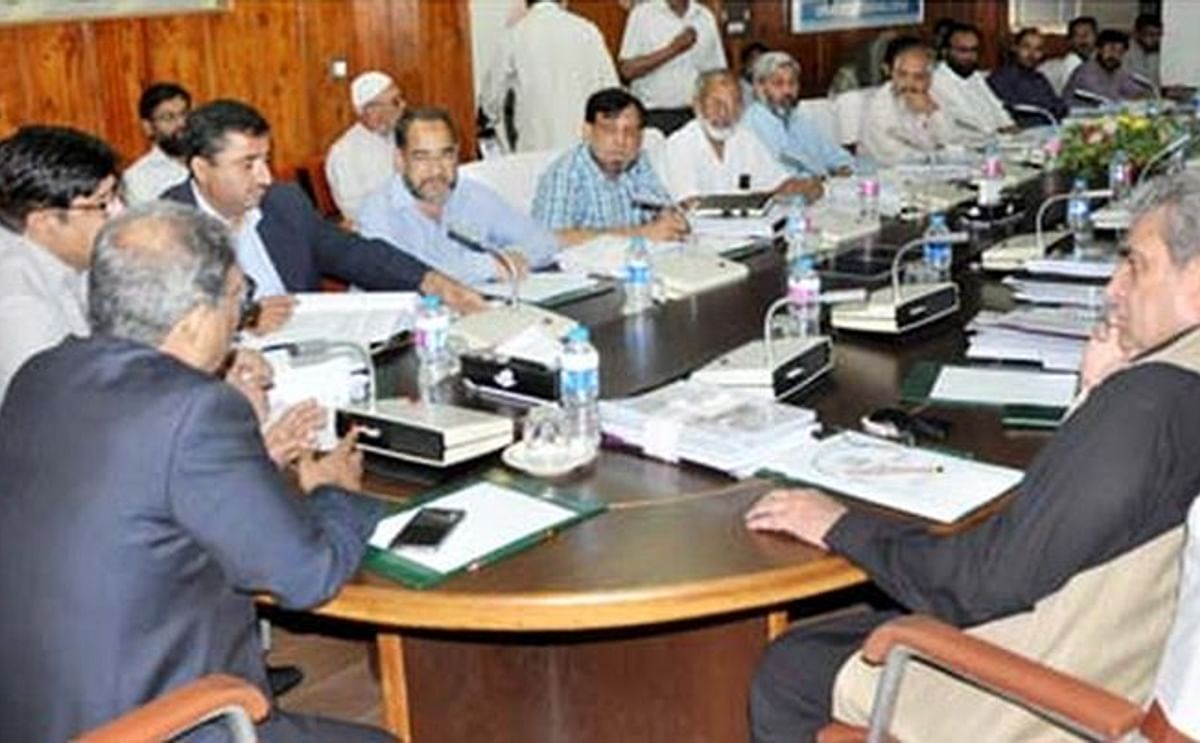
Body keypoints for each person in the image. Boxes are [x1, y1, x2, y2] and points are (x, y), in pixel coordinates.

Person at [745, 173, 1200, 741]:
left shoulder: (1146, 406)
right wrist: (1094, 392)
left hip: (1045, 696)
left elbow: (979, 585)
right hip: (1125, 658)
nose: (1114, 286)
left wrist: (841, 525)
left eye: (1135, 264)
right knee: (847, 624)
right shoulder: (1166, 387)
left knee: (789, 665)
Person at [0, 201, 393, 743]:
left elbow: (130, 494)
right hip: (152, 726)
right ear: (195, 319)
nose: (240, 319)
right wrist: (334, 493)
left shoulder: (42, 374)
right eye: (239, 299)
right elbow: (306, 577)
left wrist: (257, 459)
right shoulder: (194, 409)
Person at [162, 99, 483, 333]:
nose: (265, 177)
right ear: (202, 169)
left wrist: (436, 284)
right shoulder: (167, 230)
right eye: (248, 164)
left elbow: (354, 253)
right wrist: (242, 322)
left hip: (312, 352)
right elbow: (169, 328)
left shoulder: (283, 202)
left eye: (265, 160)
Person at [358, 107, 559, 286]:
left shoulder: (472, 194)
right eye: (422, 157)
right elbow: (409, 274)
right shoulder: (377, 210)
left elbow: (543, 240)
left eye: (446, 155)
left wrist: (514, 258)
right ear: (400, 160)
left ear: (457, 155)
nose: (436, 169)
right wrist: (491, 266)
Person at [0, 125, 121, 400]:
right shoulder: (18, 305)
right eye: (103, 204)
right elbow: (65, 409)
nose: (119, 214)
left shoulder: (68, 255)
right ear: (46, 222)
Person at [532, 87, 686, 246]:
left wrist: (672, 220)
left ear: (641, 138)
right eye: (609, 130)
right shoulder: (565, 174)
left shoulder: (639, 163)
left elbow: (663, 210)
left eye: (630, 132)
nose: (620, 140)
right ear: (587, 131)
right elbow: (549, 240)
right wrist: (641, 233)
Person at [660, 70, 821, 202]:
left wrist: (805, 187)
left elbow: (777, 183)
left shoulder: (746, 139)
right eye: (717, 104)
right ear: (697, 105)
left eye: (734, 104)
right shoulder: (680, 143)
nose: (725, 114)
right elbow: (689, 204)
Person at [480, 0, 619, 153]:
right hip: (585, 146)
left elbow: (490, 101)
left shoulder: (515, 34)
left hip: (535, 149)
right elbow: (613, 94)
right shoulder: (588, 31)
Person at [617, 0, 727, 135]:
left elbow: (717, 73)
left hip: (696, 116)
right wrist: (673, 50)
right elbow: (627, 70)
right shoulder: (642, 15)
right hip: (654, 117)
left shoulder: (705, 17)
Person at [744, 51, 854, 179]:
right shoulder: (753, 123)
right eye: (778, 83)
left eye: (792, 83)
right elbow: (777, 174)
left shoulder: (798, 118)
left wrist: (843, 167)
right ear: (760, 87)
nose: (787, 91)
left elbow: (835, 154)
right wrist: (818, 177)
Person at [859, 37, 960, 166]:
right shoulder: (878, 106)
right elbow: (896, 157)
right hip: (887, 176)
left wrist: (932, 111)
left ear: (929, 79)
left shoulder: (933, 96)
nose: (909, 83)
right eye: (902, 75)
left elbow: (954, 141)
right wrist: (936, 154)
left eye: (918, 77)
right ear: (892, 74)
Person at [324, 71, 406, 221]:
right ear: (372, 110)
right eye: (395, 101)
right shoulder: (344, 154)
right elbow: (355, 213)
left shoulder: (402, 134)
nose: (403, 105)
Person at [930, 23, 1015, 138]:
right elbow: (967, 121)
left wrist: (1009, 125)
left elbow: (996, 107)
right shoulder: (935, 80)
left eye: (974, 50)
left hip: (998, 141)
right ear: (945, 52)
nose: (970, 56)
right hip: (967, 145)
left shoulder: (975, 76)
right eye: (963, 50)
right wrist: (999, 133)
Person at [123, 82, 192, 204]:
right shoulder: (138, 178)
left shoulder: (212, 159)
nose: (181, 123)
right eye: (168, 118)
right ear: (148, 127)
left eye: (184, 114)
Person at [987, 28, 1069, 128]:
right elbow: (1011, 113)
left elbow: (1057, 105)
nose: (1032, 54)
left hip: (1049, 129)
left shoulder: (1039, 78)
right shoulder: (1001, 78)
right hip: (1022, 134)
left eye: (1038, 49)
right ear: (1015, 48)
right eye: (1026, 47)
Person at [1063, 29, 1148, 107]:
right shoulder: (1086, 72)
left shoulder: (1119, 71)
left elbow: (1135, 92)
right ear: (1099, 49)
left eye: (1120, 51)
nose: (1114, 56)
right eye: (1111, 49)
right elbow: (1107, 99)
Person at [1039, 15, 1097, 95]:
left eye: (1086, 34)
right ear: (1070, 40)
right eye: (1077, 35)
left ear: (1096, 37)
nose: (1083, 39)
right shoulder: (1050, 68)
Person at [1125, 13, 1163, 90]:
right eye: (1151, 35)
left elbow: (1156, 84)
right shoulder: (1124, 51)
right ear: (1137, 33)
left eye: (1158, 34)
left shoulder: (1156, 54)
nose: (1156, 39)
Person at [738, 41, 769, 105]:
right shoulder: (738, 88)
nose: (756, 63)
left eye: (761, 59)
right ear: (745, 63)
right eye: (752, 58)